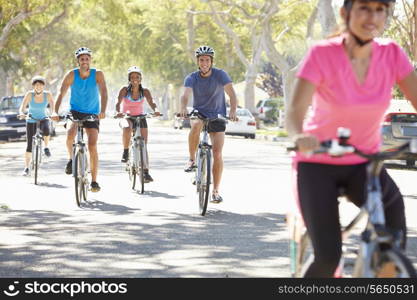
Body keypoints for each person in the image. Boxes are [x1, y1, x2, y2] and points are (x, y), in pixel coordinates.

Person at [286, 0, 417, 277]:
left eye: (380, 9)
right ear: (345, 13)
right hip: (318, 161)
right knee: (328, 256)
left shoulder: (391, 53)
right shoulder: (322, 54)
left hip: (364, 163)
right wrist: (299, 136)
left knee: (392, 237)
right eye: (364, 8)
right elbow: (295, 112)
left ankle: (381, 271)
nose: (373, 16)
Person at [180, 45, 238, 203]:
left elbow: (232, 94)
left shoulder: (221, 75)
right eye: (201, 60)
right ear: (198, 62)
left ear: (211, 61)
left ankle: (215, 191)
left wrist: (232, 110)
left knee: (217, 154)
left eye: (207, 60)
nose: (204, 63)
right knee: (196, 124)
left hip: (217, 114)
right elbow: (185, 95)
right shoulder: (192, 77)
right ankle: (192, 160)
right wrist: (183, 107)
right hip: (200, 112)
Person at [52, 47, 108, 192]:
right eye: (82, 59)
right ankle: (71, 159)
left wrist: (102, 111)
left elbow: (104, 92)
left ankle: (94, 181)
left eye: (87, 58)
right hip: (75, 111)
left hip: (92, 113)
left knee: (92, 145)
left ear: (90, 60)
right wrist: (54, 111)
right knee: (70, 134)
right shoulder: (71, 75)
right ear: (78, 61)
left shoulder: (98, 74)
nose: (85, 61)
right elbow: (61, 92)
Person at [115, 66, 160, 183]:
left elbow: (152, 102)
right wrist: (118, 111)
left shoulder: (144, 91)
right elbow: (118, 101)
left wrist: (156, 110)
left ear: (141, 79)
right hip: (127, 116)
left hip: (140, 117)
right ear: (129, 79)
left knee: (143, 145)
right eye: (132, 77)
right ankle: (125, 151)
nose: (135, 79)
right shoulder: (124, 90)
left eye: (137, 77)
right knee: (126, 128)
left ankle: (146, 172)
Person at [18, 76, 54, 176]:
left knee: (47, 129)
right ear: (34, 86)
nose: (38, 86)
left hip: (43, 118)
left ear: (43, 86)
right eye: (36, 85)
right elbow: (22, 107)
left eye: (40, 84)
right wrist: (21, 113)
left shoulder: (48, 95)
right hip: (31, 119)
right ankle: (26, 167)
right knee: (29, 145)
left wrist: (53, 113)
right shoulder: (30, 94)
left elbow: (52, 107)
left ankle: (46, 147)